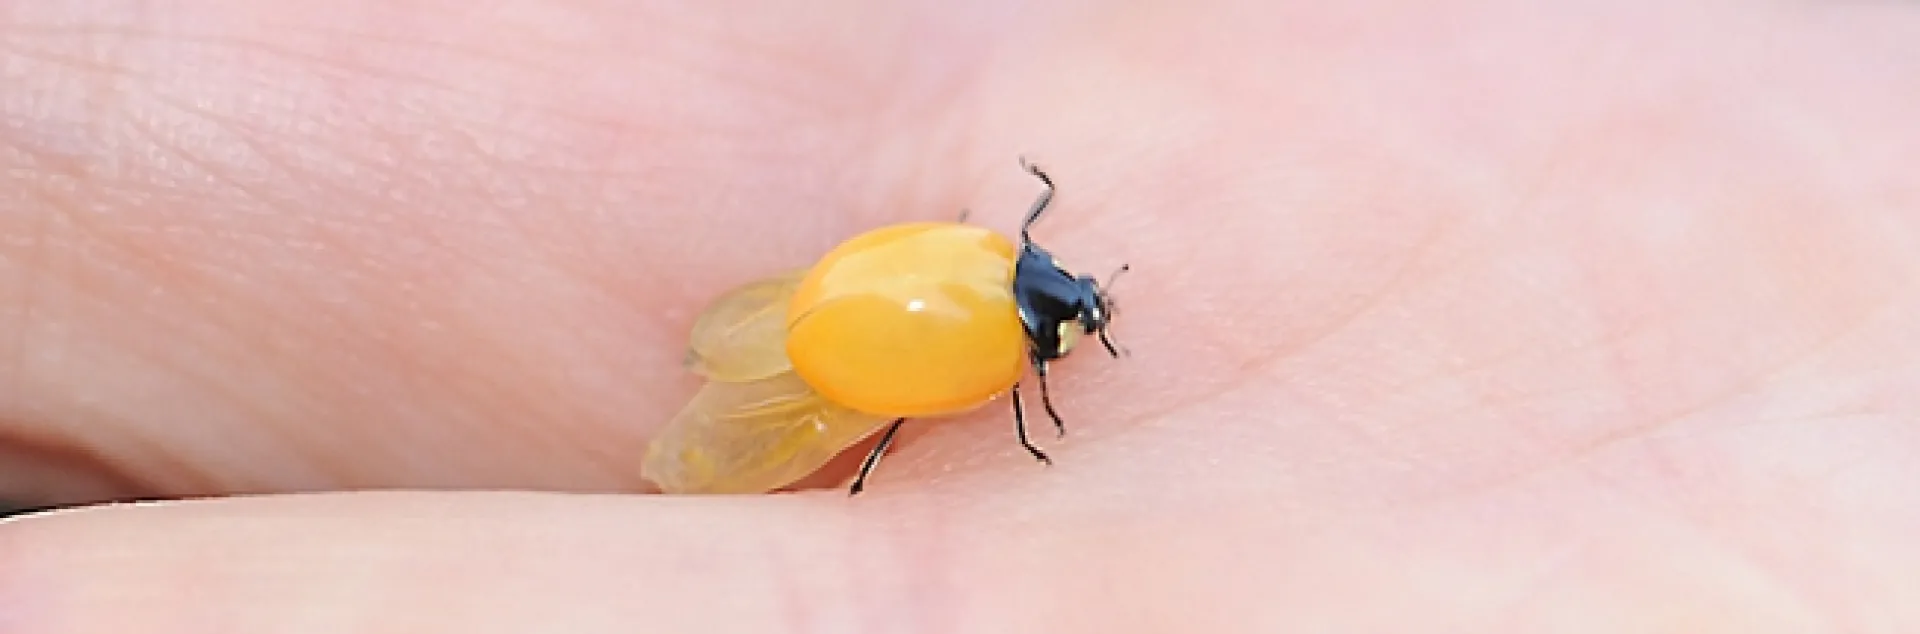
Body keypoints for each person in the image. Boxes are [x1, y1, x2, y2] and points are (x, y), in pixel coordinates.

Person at [1, 1, 1914, 631]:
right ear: (1047, 305)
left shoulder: (987, 306)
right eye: (1070, 305)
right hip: (848, 341)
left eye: (1064, 308)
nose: (1074, 308)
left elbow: (897, 325)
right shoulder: (1000, 341)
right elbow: (933, 354)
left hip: (842, 331)